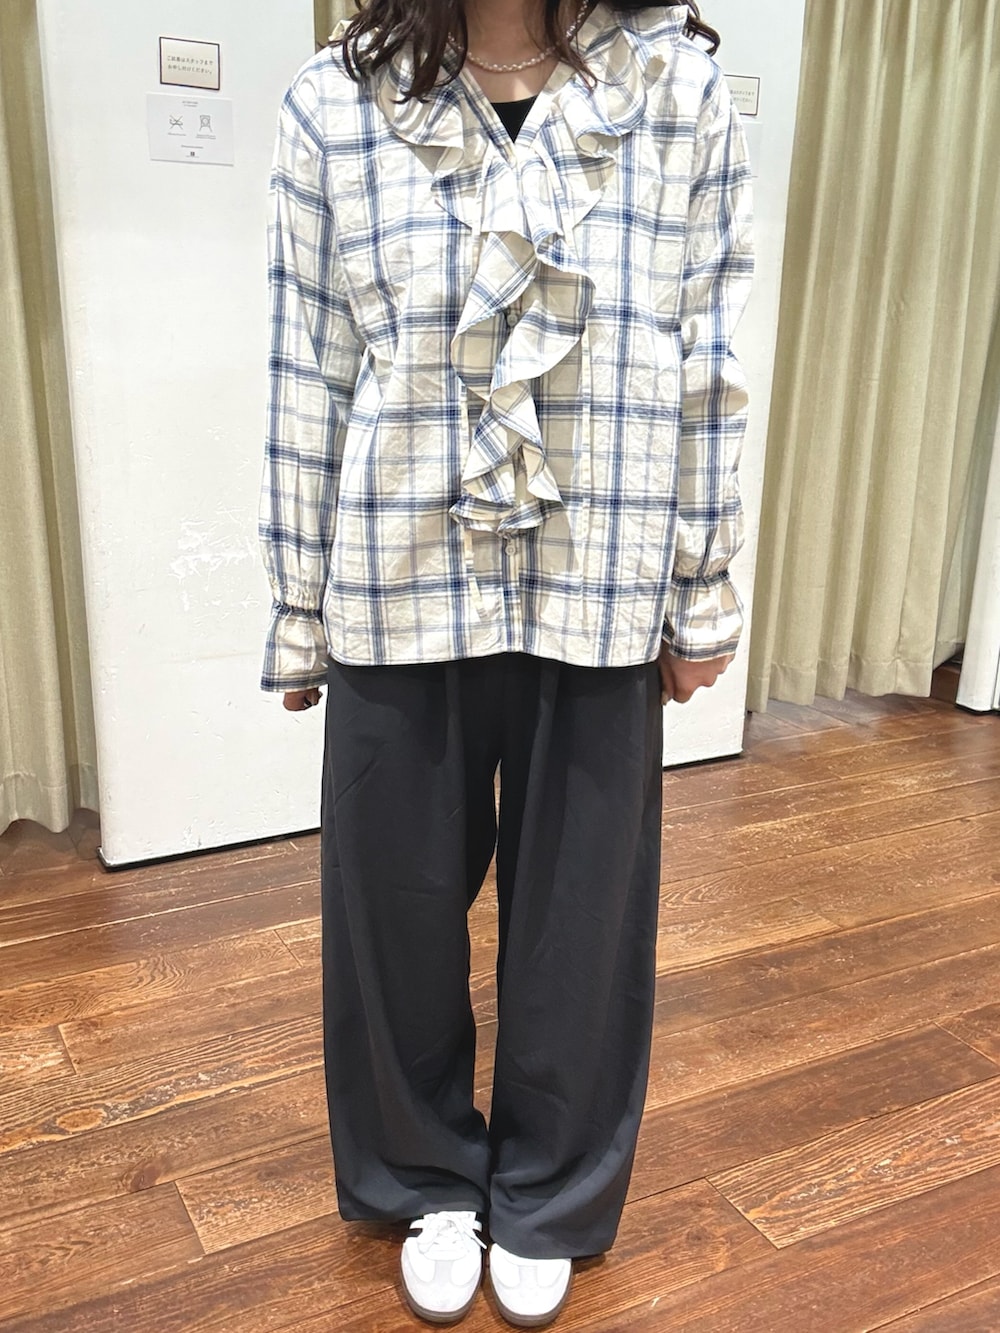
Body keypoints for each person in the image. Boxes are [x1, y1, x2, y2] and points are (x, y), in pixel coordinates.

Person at [259, 0, 752, 1324]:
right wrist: (299, 601)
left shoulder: (677, 92)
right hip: (397, 573)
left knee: (585, 917)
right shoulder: (335, 101)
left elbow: (706, 355)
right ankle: (426, 1170)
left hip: (599, 572)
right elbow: (309, 368)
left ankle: (548, 1187)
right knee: (395, 911)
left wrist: (701, 587)